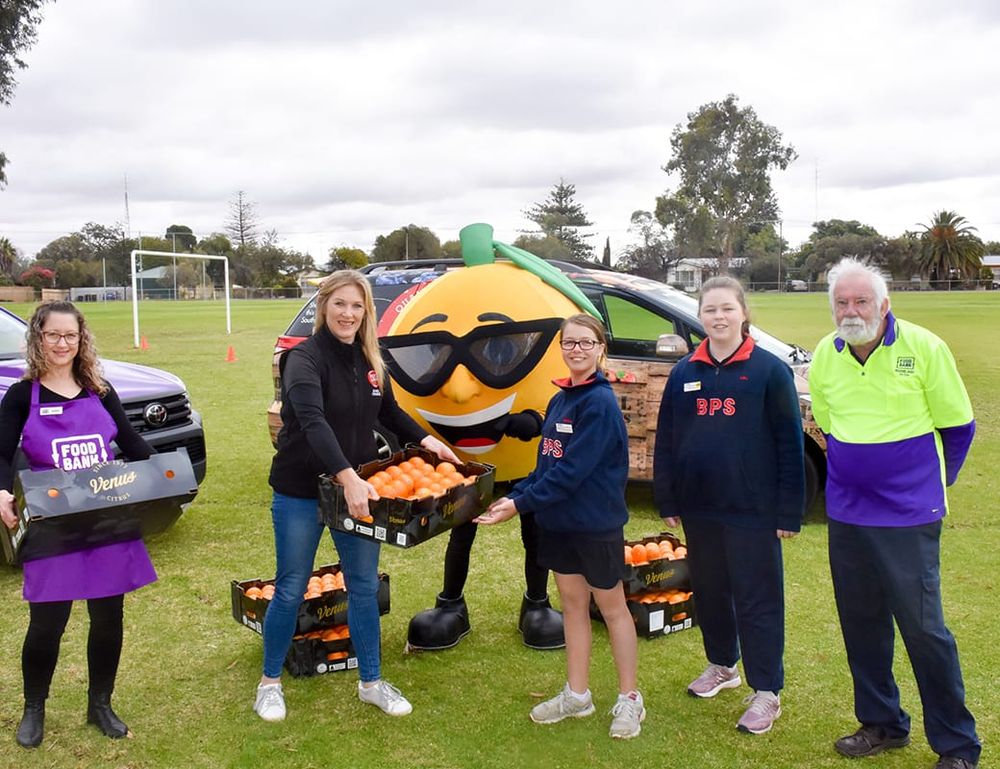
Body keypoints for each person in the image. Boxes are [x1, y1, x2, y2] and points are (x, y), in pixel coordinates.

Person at [256, 270, 459, 722]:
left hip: (358, 490)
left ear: (367, 311)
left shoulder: (369, 359)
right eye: (340, 304)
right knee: (290, 588)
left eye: (357, 305)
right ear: (323, 307)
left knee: (364, 588)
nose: (348, 313)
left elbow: (389, 412)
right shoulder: (303, 359)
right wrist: (347, 477)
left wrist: (427, 442)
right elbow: (312, 421)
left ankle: (371, 681)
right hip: (302, 490)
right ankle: (269, 683)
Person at [809, 258, 980, 769]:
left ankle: (956, 744)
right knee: (862, 623)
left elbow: (959, 425)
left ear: (885, 305)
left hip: (908, 514)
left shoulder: (923, 346)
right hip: (848, 512)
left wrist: (928, 484)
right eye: (842, 302)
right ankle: (882, 722)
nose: (851, 310)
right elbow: (828, 421)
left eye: (862, 301)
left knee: (924, 629)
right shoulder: (825, 353)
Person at [476, 313, 644, 740]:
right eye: (570, 343)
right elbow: (546, 466)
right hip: (559, 524)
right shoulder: (560, 400)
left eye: (586, 343)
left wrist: (520, 505)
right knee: (571, 605)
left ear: (600, 348)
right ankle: (577, 694)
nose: (577, 350)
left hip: (595, 526)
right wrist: (511, 498)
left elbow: (570, 474)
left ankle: (629, 699)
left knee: (611, 609)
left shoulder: (600, 404)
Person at [0, 301, 157, 749]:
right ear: (38, 338)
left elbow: (130, 442)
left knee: (108, 618)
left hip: (108, 521)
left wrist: (168, 476)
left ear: (81, 338)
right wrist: (1, 492)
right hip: (54, 524)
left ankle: (100, 704)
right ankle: (34, 708)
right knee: (47, 622)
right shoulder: (22, 394)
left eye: (70, 335)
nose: (62, 344)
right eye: (53, 335)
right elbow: (0, 452)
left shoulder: (99, 390)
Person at [653, 276, 805, 735]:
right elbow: (668, 440)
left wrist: (788, 511)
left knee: (757, 599)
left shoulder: (768, 371)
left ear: (743, 313)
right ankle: (722, 664)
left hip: (752, 511)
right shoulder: (684, 372)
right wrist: (668, 496)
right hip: (701, 508)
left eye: (726, 309)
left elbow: (789, 444)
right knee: (713, 592)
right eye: (710, 310)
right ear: (700, 317)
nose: (718, 318)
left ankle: (766, 691)